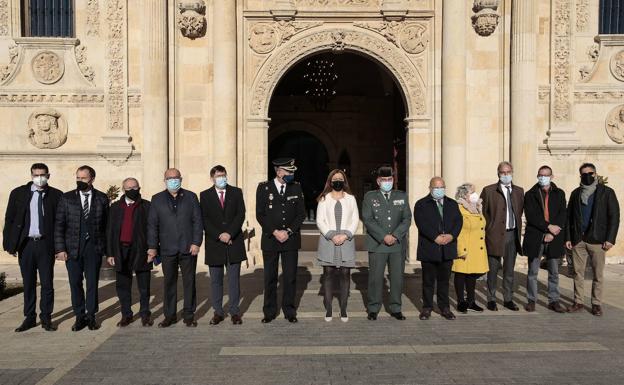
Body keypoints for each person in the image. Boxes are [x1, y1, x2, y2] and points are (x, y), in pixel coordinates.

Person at [3, 163, 63, 332]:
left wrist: (60, 247)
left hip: (45, 244)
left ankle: (46, 318)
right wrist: (10, 244)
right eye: (36, 174)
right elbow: (10, 219)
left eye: (42, 174)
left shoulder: (56, 195)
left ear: (48, 176)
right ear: (31, 175)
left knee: (47, 283)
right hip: (26, 244)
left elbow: (60, 223)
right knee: (29, 283)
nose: (39, 178)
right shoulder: (18, 193)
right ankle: (29, 317)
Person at [55, 165, 109, 331]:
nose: (80, 181)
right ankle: (79, 316)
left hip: (93, 248)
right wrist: (60, 249)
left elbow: (106, 226)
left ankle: (91, 315)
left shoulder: (101, 198)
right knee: (75, 282)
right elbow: (59, 225)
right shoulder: (67, 198)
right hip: (72, 249)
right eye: (78, 178)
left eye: (83, 178)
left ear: (92, 178)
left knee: (92, 283)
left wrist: (107, 250)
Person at [147, 168, 203, 327]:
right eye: (169, 178)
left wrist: (196, 242)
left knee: (189, 282)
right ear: (164, 180)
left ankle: (189, 315)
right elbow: (152, 225)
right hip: (167, 249)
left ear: (181, 179)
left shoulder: (191, 197)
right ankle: (169, 316)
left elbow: (197, 221)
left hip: (188, 247)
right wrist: (152, 247)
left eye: (176, 177)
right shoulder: (157, 199)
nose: (173, 180)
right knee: (169, 283)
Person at [256, 158, 306, 323]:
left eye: (292, 172)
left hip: (290, 240)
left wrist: (289, 231)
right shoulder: (264, 188)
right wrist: (275, 231)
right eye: (288, 171)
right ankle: (269, 312)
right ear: (278, 172)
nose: (291, 174)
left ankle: (289, 311)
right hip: (271, 239)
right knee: (270, 277)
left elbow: (301, 214)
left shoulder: (296, 187)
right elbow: (260, 214)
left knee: (290, 276)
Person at [566, 163, 620, 316]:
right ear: (580, 176)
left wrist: (610, 239)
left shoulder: (606, 192)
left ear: (595, 174)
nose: (587, 176)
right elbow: (569, 216)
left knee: (598, 274)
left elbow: (614, 217)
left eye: (590, 173)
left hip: (597, 240)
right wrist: (569, 237)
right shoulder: (576, 193)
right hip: (578, 240)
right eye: (584, 174)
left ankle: (596, 303)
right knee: (578, 273)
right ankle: (578, 301)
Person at [361, 165, 412, 321]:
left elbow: (407, 218)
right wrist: (384, 236)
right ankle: (373, 308)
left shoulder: (401, 196)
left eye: (390, 179)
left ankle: (396, 308)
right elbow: (368, 219)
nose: (387, 182)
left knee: (397, 278)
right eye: (384, 180)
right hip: (378, 244)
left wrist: (395, 235)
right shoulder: (370, 197)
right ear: (378, 181)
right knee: (375, 278)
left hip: (397, 245)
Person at [200, 165, 247, 325]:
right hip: (215, 244)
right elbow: (205, 219)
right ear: (212, 178)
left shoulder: (236, 192)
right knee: (216, 280)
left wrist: (230, 233)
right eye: (219, 175)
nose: (222, 178)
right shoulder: (205, 195)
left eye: (224, 175)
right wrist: (220, 235)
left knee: (234, 280)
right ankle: (218, 312)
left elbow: (241, 214)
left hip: (234, 242)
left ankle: (235, 312)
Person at [106, 177, 153, 327]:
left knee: (144, 286)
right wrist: (110, 253)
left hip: (141, 250)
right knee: (123, 285)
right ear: (123, 189)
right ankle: (126, 315)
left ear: (139, 188)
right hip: (121, 250)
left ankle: (145, 314)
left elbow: (152, 230)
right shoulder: (115, 207)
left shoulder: (147, 206)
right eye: (129, 188)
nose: (132, 190)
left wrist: (152, 249)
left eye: (135, 187)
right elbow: (110, 231)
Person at [414, 177, 463, 320]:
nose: (439, 190)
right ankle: (427, 307)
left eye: (441, 187)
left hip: (447, 249)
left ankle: (444, 307)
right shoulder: (422, 204)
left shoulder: (452, 204)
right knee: (428, 281)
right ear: (430, 188)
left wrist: (452, 236)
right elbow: (421, 223)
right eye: (436, 187)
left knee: (444, 281)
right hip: (429, 248)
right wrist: (435, 237)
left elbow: (458, 222)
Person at [522, 166, 568, 313]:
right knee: (533, 271)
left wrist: (553, 232)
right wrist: (548, 228)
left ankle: (554, 300)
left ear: (552, 176)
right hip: (536, 236)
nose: (543, 178)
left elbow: (563, 214)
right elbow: (532, 216)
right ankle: (531, 300)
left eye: (546, 175)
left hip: (554, 237)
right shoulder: (530, 194)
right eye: (540, 175)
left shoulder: (560, 193)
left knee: (554, 271)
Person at [316, 169, 359, 322]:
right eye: (335, 179)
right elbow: (320, 220)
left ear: (344, 181)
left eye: (340, 179)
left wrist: (346, 234)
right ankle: (328, 309)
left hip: (346, 240)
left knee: (345, 274)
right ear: (330, 181)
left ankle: (343, 309)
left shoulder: (351, 199)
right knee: (328, 274)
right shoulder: (324, 199)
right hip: (328, 240)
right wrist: (332, 235)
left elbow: (355, 219)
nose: (338, 181)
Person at [480, 161, 524, 311]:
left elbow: (519, 212)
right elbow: (482, 214)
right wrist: (488, 229)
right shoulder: (489, 191)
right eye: (503, 172)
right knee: (492, 270)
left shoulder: (519, 191)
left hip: (512, 234)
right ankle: (491, 299)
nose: (506, 175)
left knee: (509, 270)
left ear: (512, 172)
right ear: (498, 173)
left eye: (508, 172)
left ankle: (508, 299)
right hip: (494, 236)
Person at [452, 183, 489, 314]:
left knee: (472, 276)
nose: (475, 194)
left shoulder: (477, 207)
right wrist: (460, 250)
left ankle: (471, 301)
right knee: (461, 275)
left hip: (476, 248)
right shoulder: (458, 208)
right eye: (471, 192)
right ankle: (461, 301)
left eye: (474, 191)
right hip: (465, 247)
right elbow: (458, 231)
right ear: (464, 195)